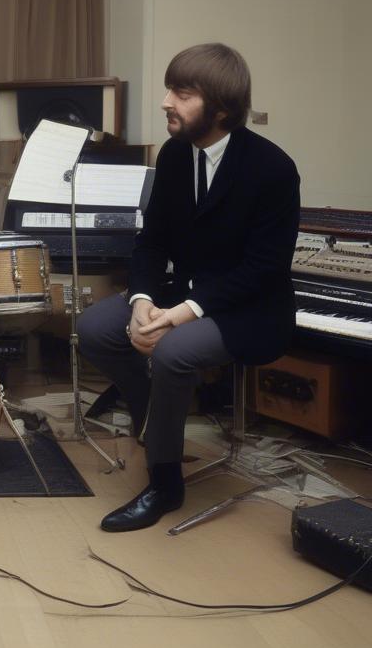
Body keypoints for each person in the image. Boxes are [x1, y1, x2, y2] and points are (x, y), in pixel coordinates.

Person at [78, 43, 300, 532]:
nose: (165, 102)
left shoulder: (272, 170)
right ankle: (150, 416)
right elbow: (152, 242)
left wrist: (177, 315)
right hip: (187, 294)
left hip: (253, 309)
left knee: (173, 351)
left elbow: (263, 269)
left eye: (181, 93)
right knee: (94, 327)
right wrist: (141, 302)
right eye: (169, 90)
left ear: (220, 108)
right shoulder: (178, 156)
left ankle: (165, 484)